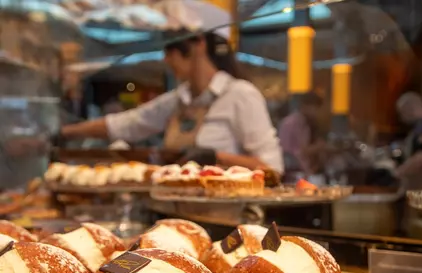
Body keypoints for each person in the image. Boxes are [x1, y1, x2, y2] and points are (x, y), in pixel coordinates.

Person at [58, 27, 283, 173]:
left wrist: (216, 156)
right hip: (179, 212)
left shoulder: (240, 94)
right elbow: (126, 123)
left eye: (171, 48)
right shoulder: (178, 100)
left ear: (199, 44)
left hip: (231, 220)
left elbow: (272, 168)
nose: (166, 59)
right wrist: (66, 132)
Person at [278, 92, 325, 175]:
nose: (317, 113)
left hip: (302, 172)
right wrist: (317, 147)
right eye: (316, 108)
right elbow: (292, 152)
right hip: (292, 172)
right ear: (306, 106)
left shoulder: (305, 123)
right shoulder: (292, 123)